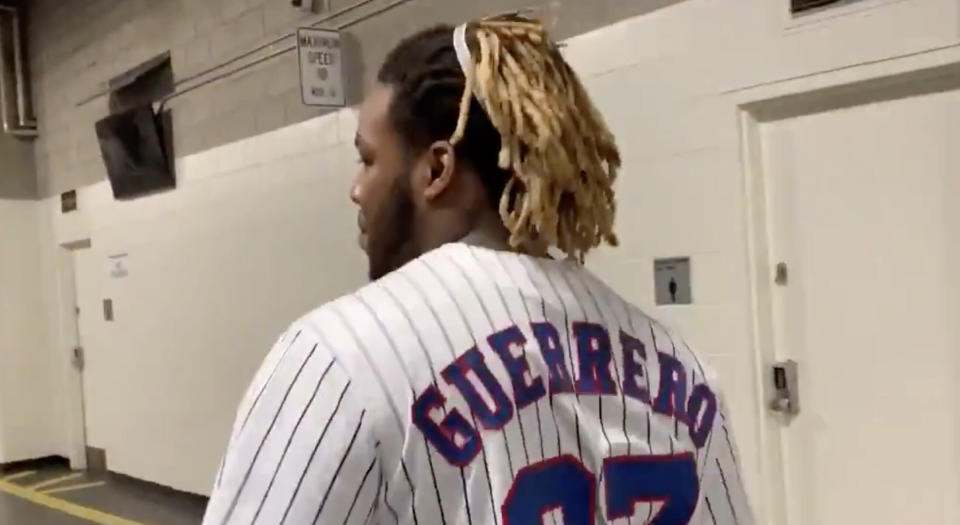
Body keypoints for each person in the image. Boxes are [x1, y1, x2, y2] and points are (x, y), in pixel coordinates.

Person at [204, 14, 754, 525]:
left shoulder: (336, 355)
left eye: (369, 159)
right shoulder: (683, 368)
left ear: (437, 169)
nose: (356, 189)